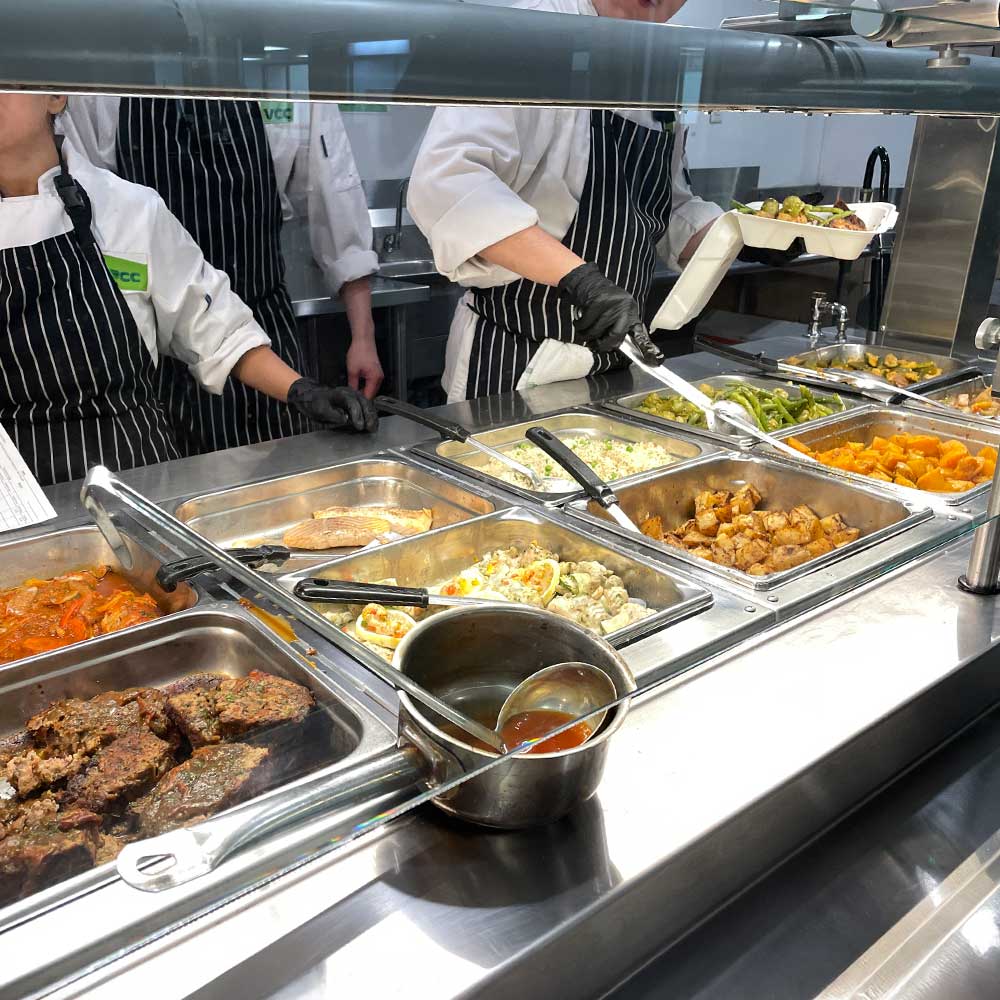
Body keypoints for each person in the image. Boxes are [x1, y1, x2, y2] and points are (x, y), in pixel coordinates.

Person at [0, 93, 376, 487]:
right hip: (16, 500)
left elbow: (211, 322)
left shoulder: (126, 210)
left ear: (56, 97)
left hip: (134, 481)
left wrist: (302, 391)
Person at [408, 0, 725, 402]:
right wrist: (579, 279)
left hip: (617, 361)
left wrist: (746, 237)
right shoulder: (531, 32)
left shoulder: (662, 60)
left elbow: (663, 205)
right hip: (517, 358)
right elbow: (449, 183)